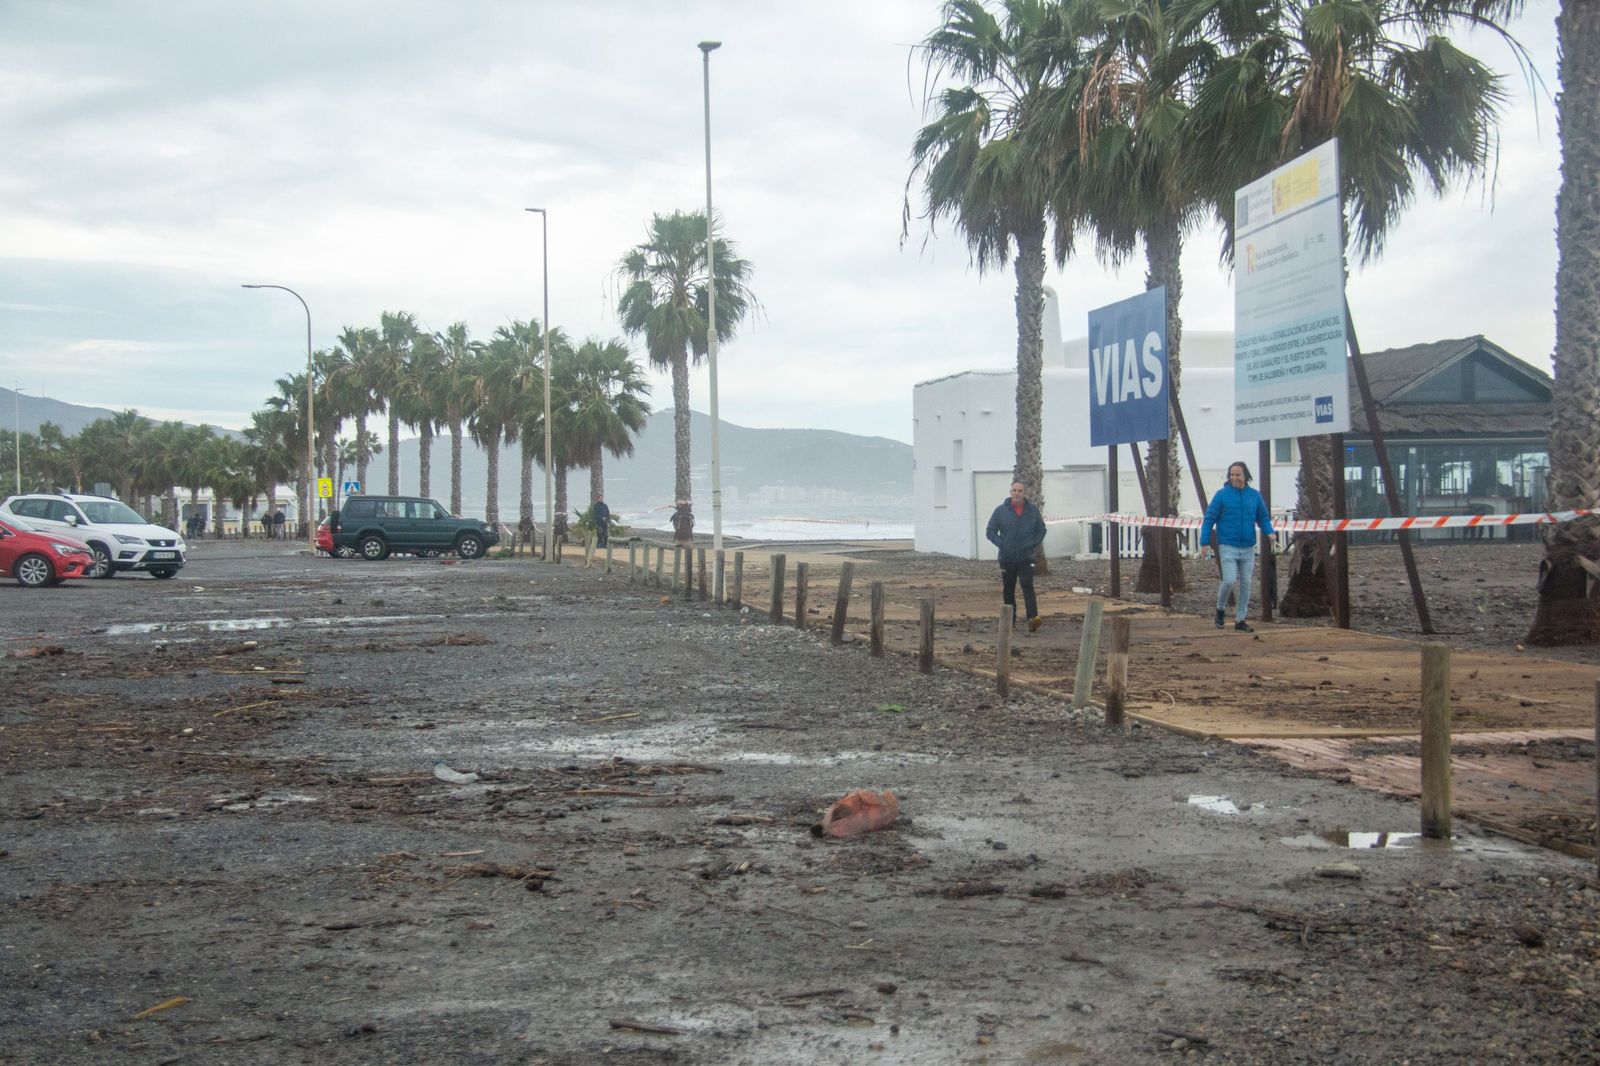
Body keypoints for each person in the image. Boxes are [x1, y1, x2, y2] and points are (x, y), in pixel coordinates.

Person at [1199, 460, 1276, 632]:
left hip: (1248, 547)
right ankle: (1220, 609)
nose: (1234, 478)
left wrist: (1269, 531)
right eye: (1232, 475)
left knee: (1246, 583)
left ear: (1245, 476)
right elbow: (1209, 519)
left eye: (1237, 474)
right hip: (1227, 545)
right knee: (1229, 580)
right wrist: (1204, 542)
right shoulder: (1221, 495)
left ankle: (1240, 620)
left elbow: (1262, 517)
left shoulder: (1254, 495)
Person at [985, 480, 1047, 632]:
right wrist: (1002, 544)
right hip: (1007, 558)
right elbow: (990, 531)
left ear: (1024, 493)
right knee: (1008, 589)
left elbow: (1041, 530)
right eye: (1014, 490)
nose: (1017, 493)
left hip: (1026, 557)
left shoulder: (1032, 510)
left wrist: (1033, 543)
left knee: (1027, 586)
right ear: (1010, 492)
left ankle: (1032, 619)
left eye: (1020, 491)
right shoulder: (1000, 511)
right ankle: (1009, 621)